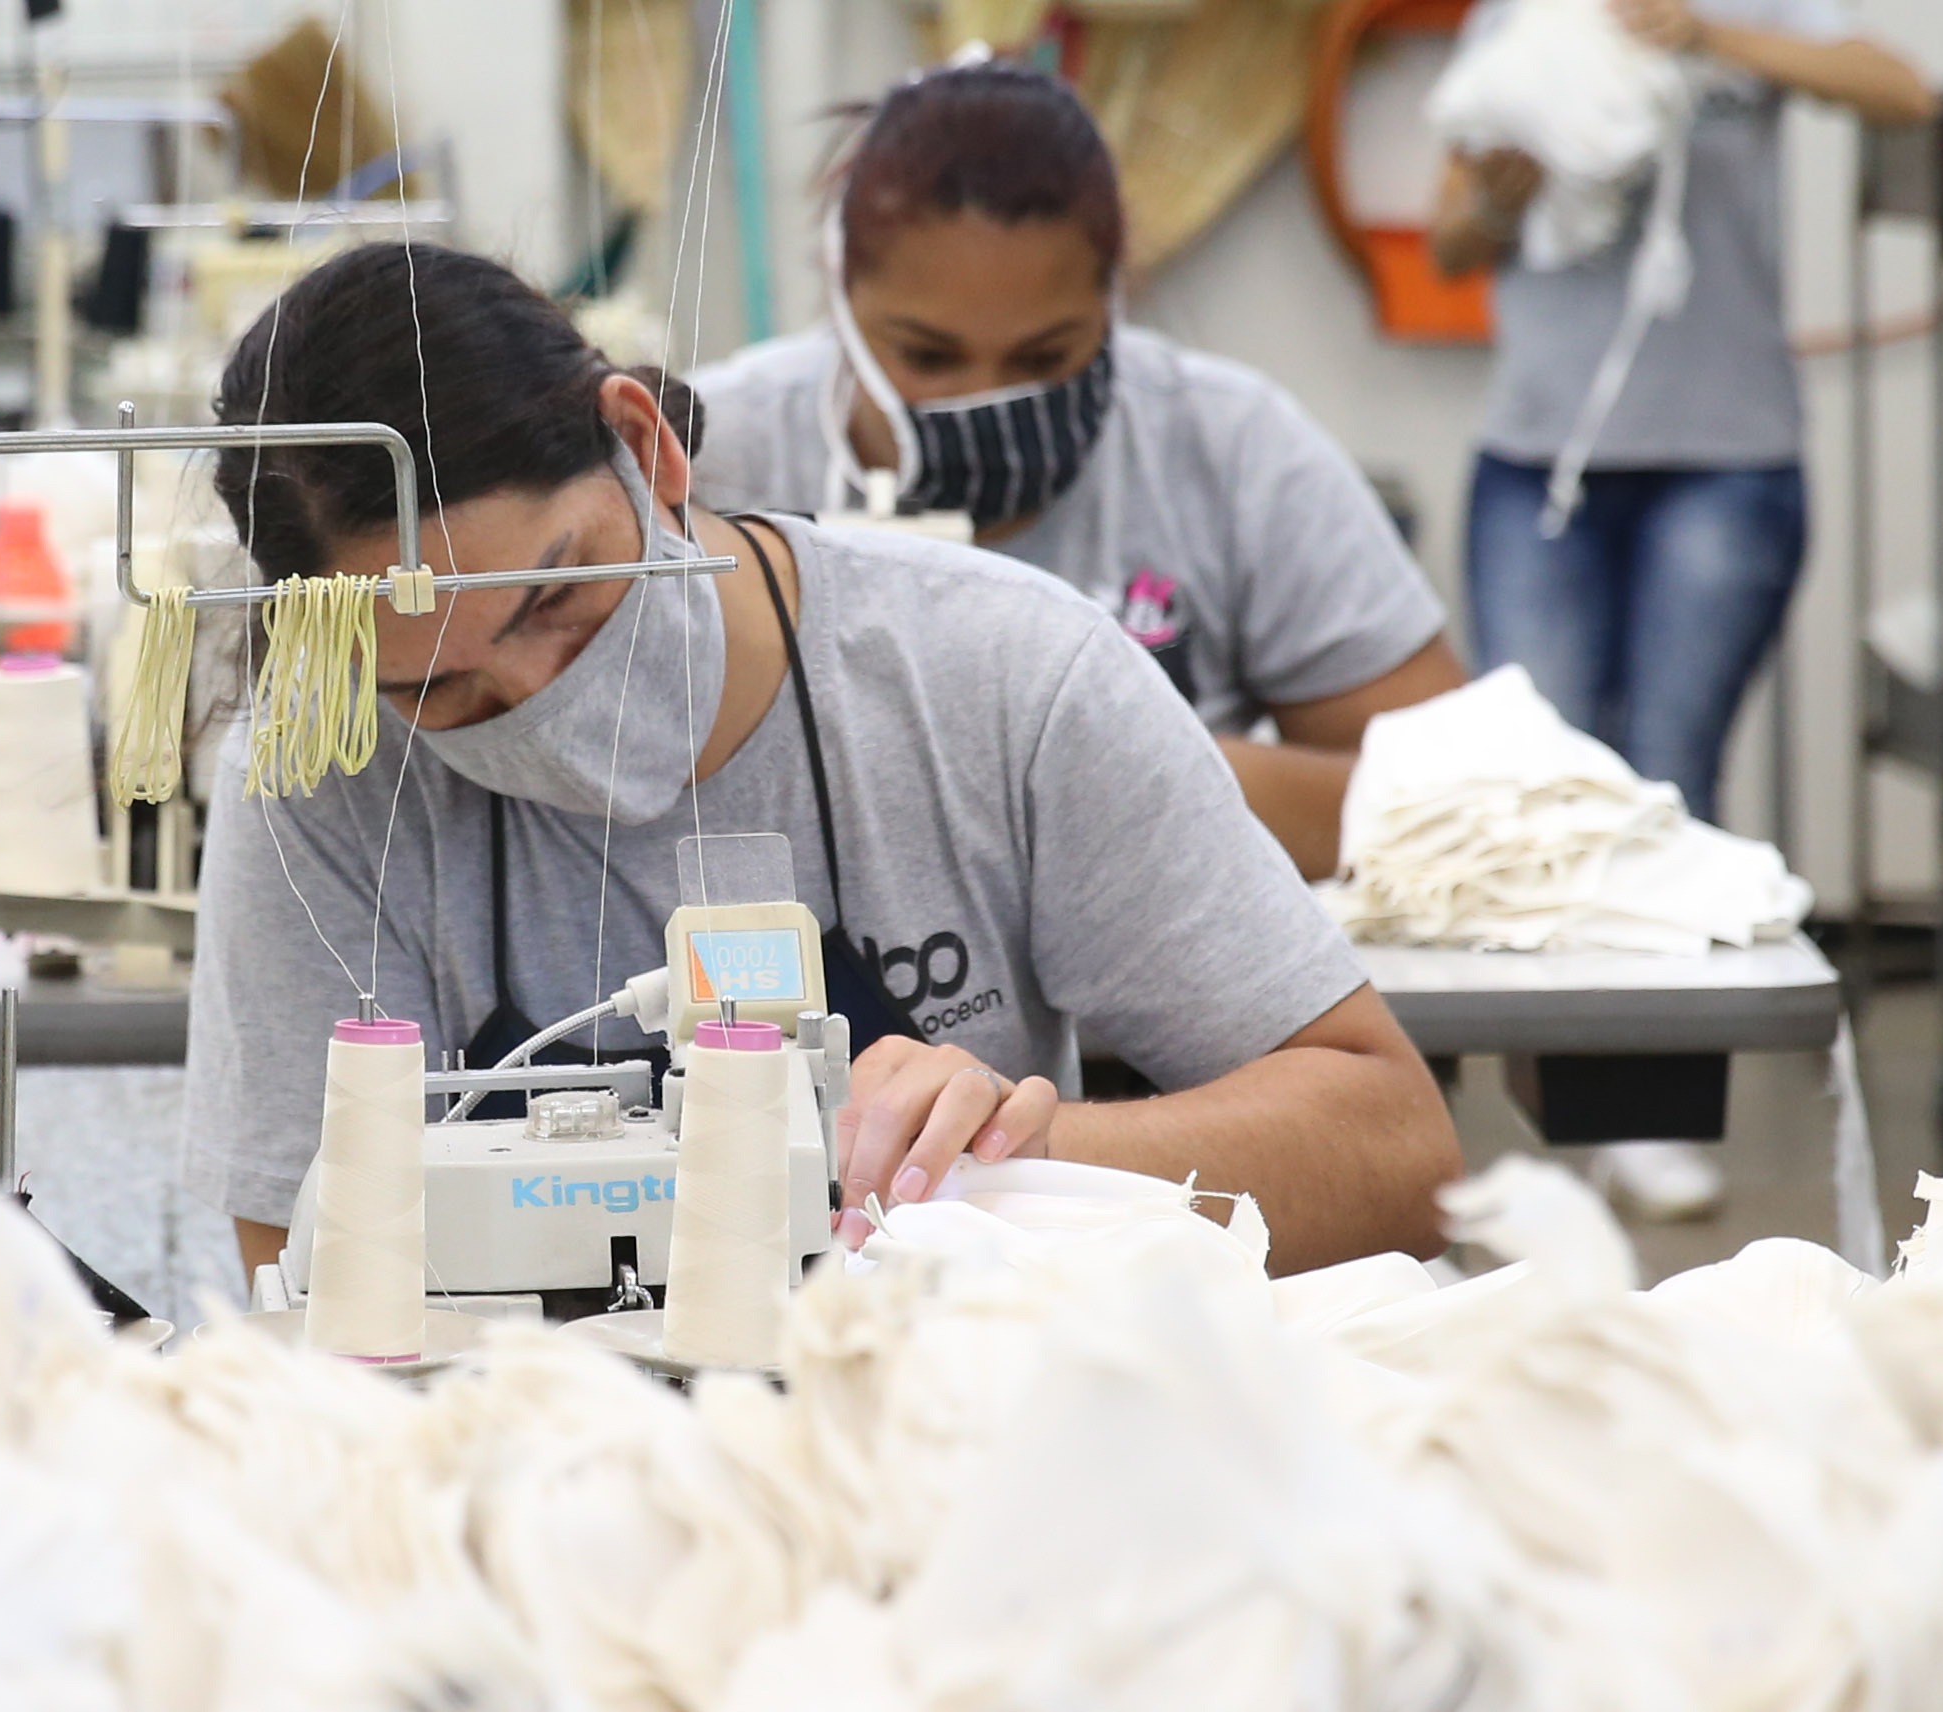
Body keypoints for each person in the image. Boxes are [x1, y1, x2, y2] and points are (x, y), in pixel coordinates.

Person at [183, 243, 1461, 1281]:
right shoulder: (314, 779)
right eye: (436, 685)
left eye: (558, 599)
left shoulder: (1006, 678)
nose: (534, 694)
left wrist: (1032, 1155)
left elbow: (1403, 1156)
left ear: (645, 444)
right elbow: (303, 1284)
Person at [689, 60, 1464, 882]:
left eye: (1043, 356)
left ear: (1116, 298)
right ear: (840, 299)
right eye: (927, 355)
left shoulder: (1231, 450)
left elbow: (1469, 801)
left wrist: (1137, 769)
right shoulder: (712, 459)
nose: (984, 397)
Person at [1430, 0, 1929, 1220]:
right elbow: (1451, 241)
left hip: (1727, 458)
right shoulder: (1520, 18)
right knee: (1543, 791)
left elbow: (1900, 88)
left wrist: (1708, 41)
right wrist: (1504, 184)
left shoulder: (1742, 16)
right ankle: (1580, 1092)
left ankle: (1643, 1111)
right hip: (1540, 461)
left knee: (1668, 780)